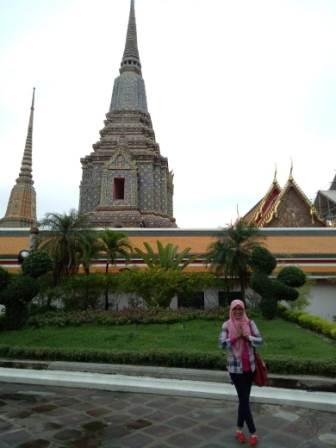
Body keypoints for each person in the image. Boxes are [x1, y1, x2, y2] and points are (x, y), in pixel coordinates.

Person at [219, 299, 263, 446]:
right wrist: (235, 337)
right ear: (231, 310)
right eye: (235, 309)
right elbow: (221, 344)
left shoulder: (250, 323)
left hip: (249, 368)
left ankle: (238, 430)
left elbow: (260, 341)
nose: (238, 312)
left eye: (240, 309)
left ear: (243, 310)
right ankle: (253, 432)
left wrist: (247, 337)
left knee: (243, 401)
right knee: (244, 401)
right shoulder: (226, 325)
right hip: (235, 369)